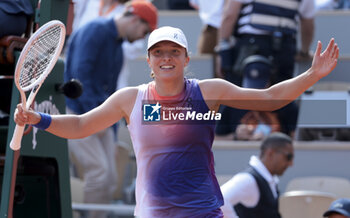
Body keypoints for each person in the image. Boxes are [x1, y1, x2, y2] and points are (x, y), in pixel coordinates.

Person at [14, 25, 338, 217]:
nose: (166, 58)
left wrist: (312, 75)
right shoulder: (130, 98)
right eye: (158, 52)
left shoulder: (210, 92)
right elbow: (82, 125)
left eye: (173, 51)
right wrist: (39, 119)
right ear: (149, 60)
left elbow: (270, 98)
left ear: (186, 58)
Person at [63, 1, 157, 218]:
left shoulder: (116, 43)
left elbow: (111, 94)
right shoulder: (96, 30)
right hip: (78, 113)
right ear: (135, 19)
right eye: (146, 30)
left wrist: (111, 133)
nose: (143, 37)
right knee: (99, 173)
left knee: (111, 177)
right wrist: (95, 119)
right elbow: (79, 79)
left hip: (98, 117)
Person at [216, 0, 316, 137]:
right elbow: (308, 24)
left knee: (238, 94)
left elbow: (229, 16)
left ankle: (235, 135)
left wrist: (223, 48)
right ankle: (277, 138)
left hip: (250, 46)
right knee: (284, 98)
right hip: (284, 49)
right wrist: (304, 52)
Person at [220, 132, 294, 217]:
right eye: (288, 157)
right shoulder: (248, 179)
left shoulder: (269, 180)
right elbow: (219, 201)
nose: (291, 163)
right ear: (271, 153)